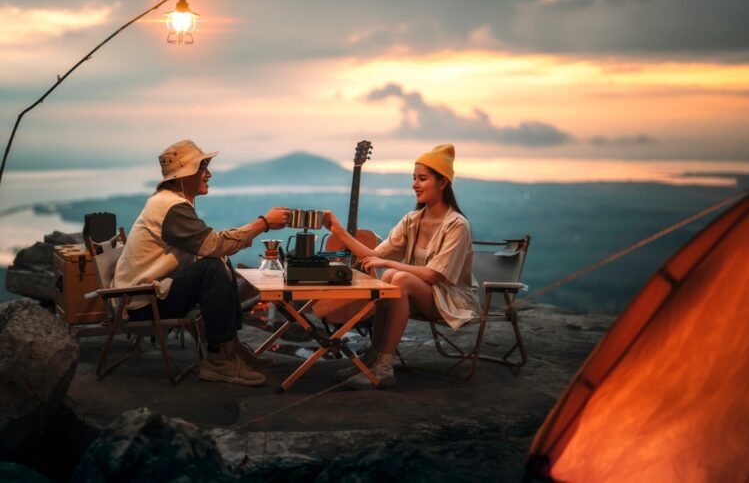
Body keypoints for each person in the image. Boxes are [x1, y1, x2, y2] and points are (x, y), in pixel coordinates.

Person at [114, 139, 290, 387]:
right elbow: (214, 245)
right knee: (212, 266)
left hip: (152, 295)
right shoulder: (169, 206)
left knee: (218, 261)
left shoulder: (171, 202)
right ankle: (218, 361)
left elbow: (212, 246)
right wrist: (264, 223)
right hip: (143, 302)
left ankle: (230, 347)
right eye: (202, 168)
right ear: (184, 175)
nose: (209, 174)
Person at [323, 143, 480, 389]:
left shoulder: (457, 225)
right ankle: (374, 359)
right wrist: (338, 231)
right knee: (392, 278)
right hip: (418, 295)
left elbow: (433, 275)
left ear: (443, 183)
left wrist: (387, 262)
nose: (415, 184)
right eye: (414, 178)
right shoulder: (412, 220)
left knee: (398, 276)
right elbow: (372, 255)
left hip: (449, 299)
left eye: (423, 178)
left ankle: (384, 368)